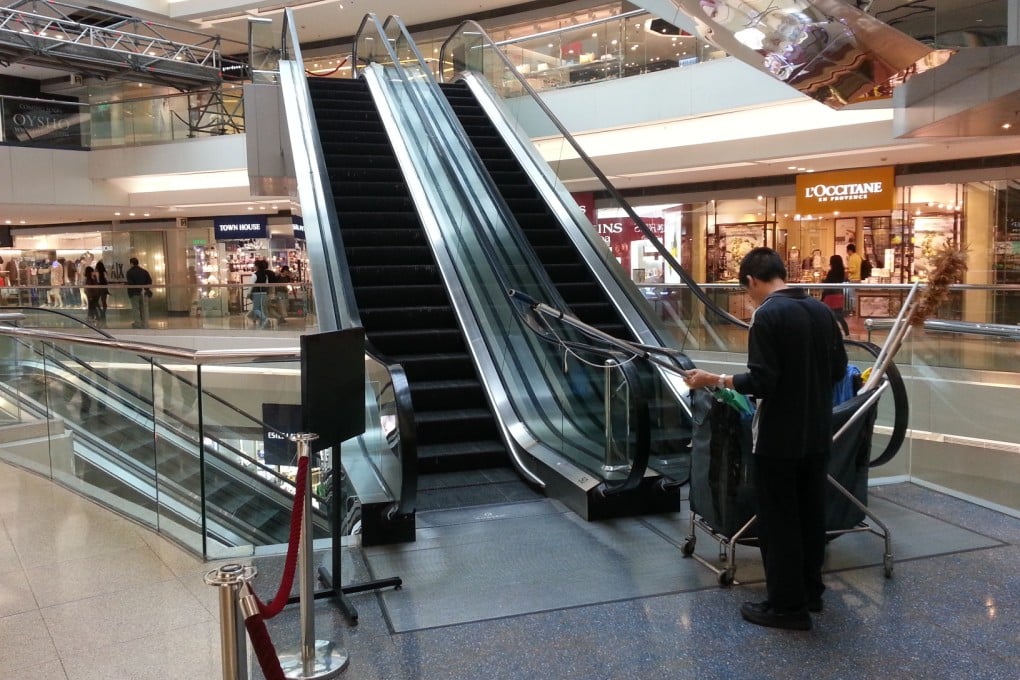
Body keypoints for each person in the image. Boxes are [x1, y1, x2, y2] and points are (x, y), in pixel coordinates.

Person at [684, 247, 848, 631]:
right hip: (818, 433)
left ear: (751, 281)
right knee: (810, 515)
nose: (749, 296)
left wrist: (715, 379)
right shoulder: (821, 311)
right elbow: (839, 369)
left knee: (780, 521)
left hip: (779, 438)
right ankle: (810, 593)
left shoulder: (767, 316)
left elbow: (762, 381)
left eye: (747, 290)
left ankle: (786, 607)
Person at [821, 255, 850, 336]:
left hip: (830, 296)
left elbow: (827, 283)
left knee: (826, 314)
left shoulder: (831, 272)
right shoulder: (842, 272)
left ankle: (826, 332)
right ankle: (846, 332)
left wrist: (823, 280)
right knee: (839, 316)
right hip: (839, 294)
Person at [125, 257, 153, 329]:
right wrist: (144, 289)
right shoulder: (144, 271)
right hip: (144, 293)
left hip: (134, 293)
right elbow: (149, 281)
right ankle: (145, 323)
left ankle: (137, 323)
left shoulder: (129, 272)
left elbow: (131, 283)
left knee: (136, 308)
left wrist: (138, 290)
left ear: (131, 263)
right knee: (145, 308)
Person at [250, 259, 271, 329]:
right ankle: (262, 321)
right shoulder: (265, 275)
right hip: (264, 293)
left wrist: (248, 293)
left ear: (257, 266)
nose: (254, 267)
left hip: (256, 293)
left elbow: (251, 285)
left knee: (256, 308)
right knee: (261, 308)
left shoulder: (255, 275)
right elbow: (267, 284)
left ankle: (265, 319)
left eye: (255, 266)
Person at [845, 243, 862, 316]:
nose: (847, 252)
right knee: (857, 296)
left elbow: (853, 269)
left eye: (847, 251)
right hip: (859, 278)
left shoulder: (852, 258)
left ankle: (853, 310)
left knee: (852, 296)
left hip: (853, 279)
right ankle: (857, 310)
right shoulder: (858, 257)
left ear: (850, 250)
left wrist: (846, 270)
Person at [95, 260, 110, 325]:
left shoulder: (97, 273)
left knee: (96, 301)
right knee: (104, 302)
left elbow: (97, 281)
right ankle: (103, 313)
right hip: (104, 288)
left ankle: (101, 312)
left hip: (98, 288)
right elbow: (107, 280)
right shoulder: (104, 272)